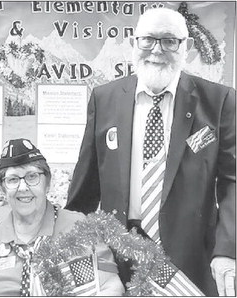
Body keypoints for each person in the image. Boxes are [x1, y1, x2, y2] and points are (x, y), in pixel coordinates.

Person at [66, 7, 235, 296]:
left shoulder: (218, 102)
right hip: (119, 255)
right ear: (134, 42)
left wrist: (227, 250)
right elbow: (86, 183)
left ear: (187, 47)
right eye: (148, 40)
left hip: (190, 259)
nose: (157, 49)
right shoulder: (104, 98)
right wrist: (68, 242)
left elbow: (233, 183)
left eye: (170, 40)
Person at [0, 138, 124, 296]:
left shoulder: (80, 226)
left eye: (32, 176)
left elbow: (111, 286)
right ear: (2, 189)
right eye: (12, 179)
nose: (23, 187)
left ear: (48, 182)